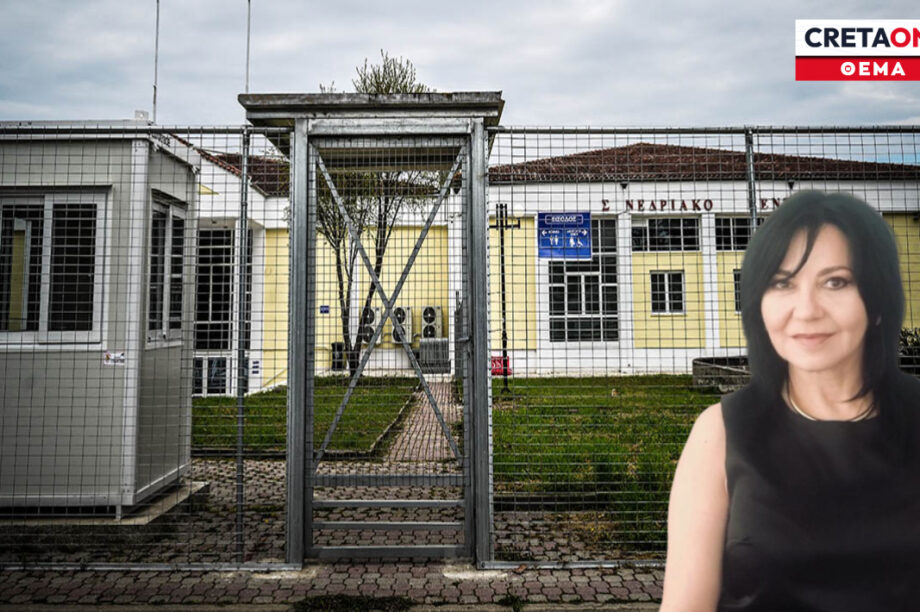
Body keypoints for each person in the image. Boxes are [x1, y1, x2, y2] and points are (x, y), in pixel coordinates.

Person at [660, 191, 920, 611]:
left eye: (835, 282)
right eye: (782, 283)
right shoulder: (721, 433)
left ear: (878, 302)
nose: (807, 310)